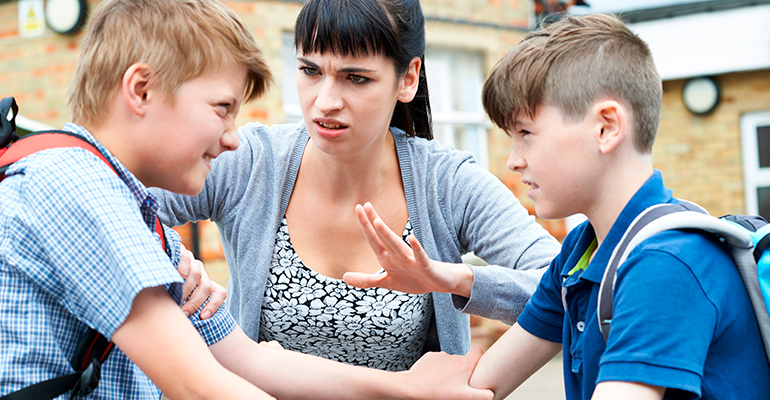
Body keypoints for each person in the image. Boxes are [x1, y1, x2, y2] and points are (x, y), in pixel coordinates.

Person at [0, 0, 492, 399]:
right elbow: (201, 386)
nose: (235, 138)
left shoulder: (130, 212)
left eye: (355, 77)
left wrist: (404, 387)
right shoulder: (75, 191)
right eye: (222, 109)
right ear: (142, 90)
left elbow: (248, 359)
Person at [151, 0, 560, 371]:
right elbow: (116, 201)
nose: (325, 100)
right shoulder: (251, 162)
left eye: (356, 78)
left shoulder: (447, 184)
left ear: (407, 79)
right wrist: (175, 264)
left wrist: (452, 280)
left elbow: (565, 285)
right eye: (310, 70)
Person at [447, 13, 769, 400]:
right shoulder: (580, 250)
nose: (513, 160)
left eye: (525, 134)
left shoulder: (667, 264)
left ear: (606, 127)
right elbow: (476, 388)